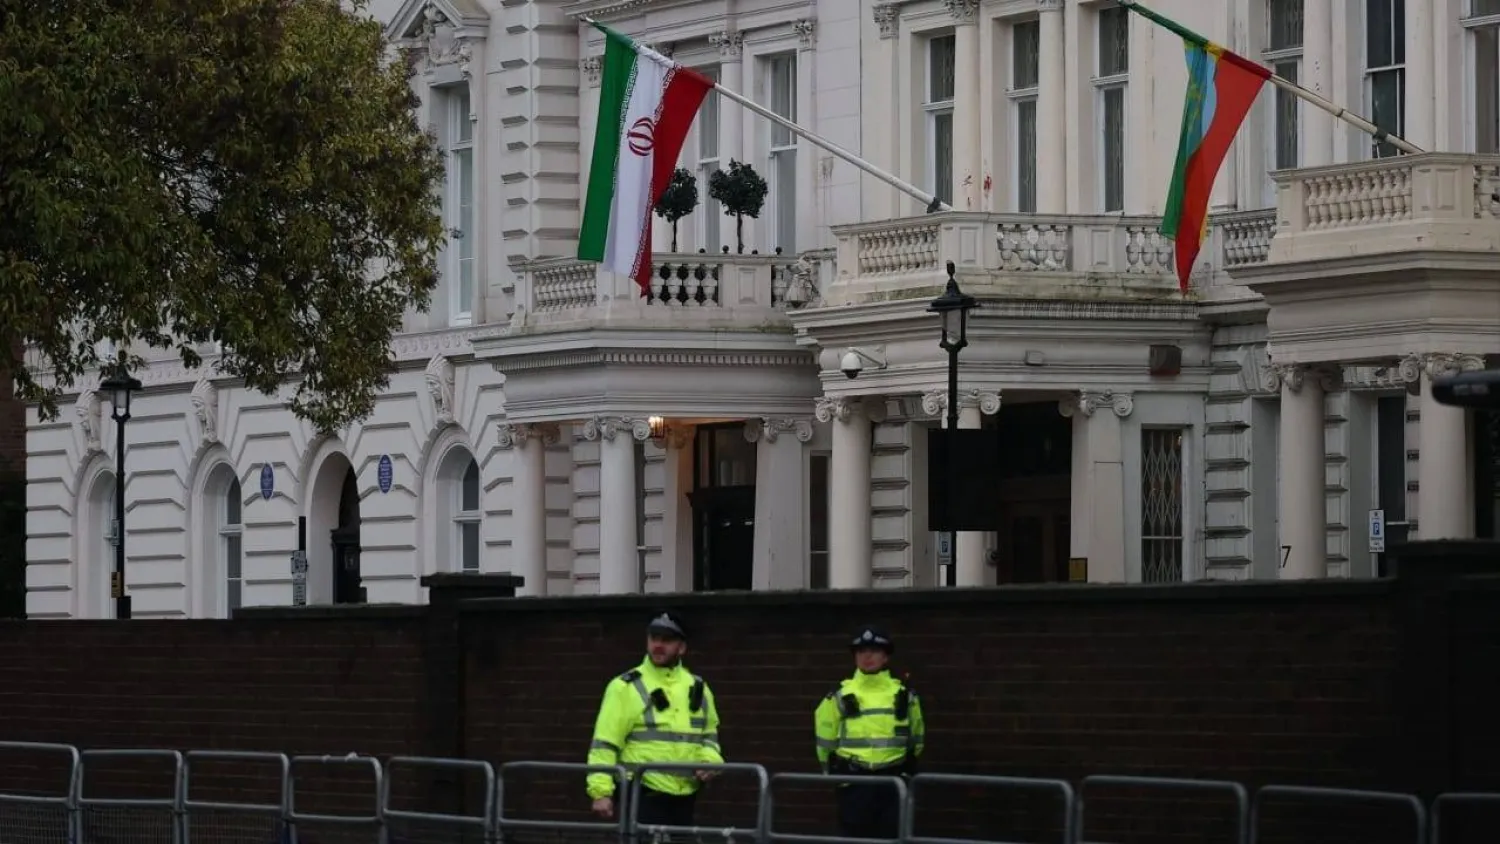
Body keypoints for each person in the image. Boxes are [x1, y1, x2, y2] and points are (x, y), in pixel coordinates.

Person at [586, 611, 723, 830]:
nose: (658, 645)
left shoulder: (698, 688)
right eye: (654, 638)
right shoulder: (625, 687)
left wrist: (710, 761)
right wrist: (601, 791)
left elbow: (709, 737)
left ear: (682, 647)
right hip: (642, 793)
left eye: (667, 640)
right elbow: (605, 743)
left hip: (685, 795)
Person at [813, 625, 925, 839]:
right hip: (855, 783)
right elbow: (824, 743)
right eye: (861, 651)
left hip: (892, 782)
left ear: (886, 657)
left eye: (874, 651)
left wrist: (907, 770)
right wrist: (834, 776)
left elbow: (917, 739)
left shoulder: (904, 696)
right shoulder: (839, 696)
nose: (867, 656)